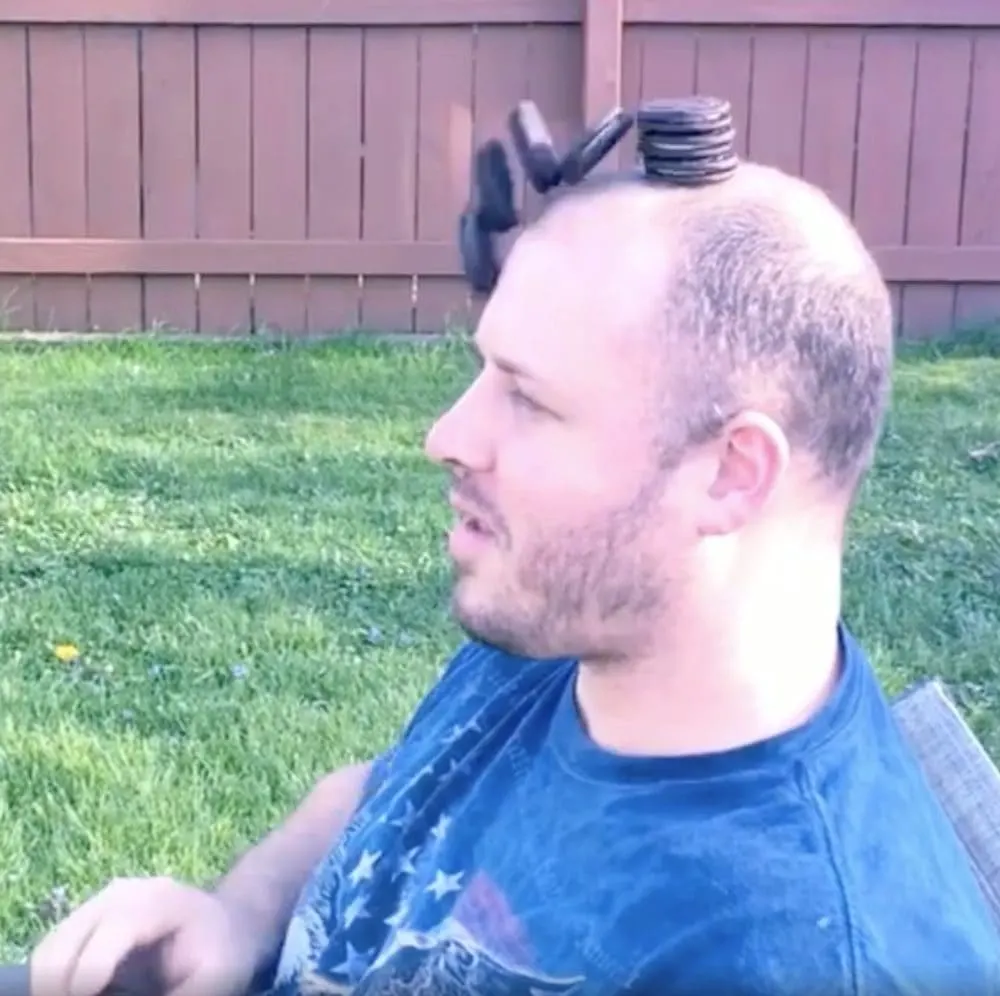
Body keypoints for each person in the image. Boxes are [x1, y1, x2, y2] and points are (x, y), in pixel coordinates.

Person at [29, 160, 1000, 996]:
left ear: (729, 473)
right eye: (482, 372)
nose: (446, 435)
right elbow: (386, 795)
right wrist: (238, 916)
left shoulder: (793, 955)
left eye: (528, 401)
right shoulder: (572, 625)